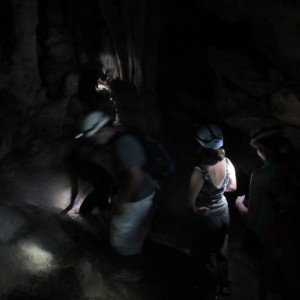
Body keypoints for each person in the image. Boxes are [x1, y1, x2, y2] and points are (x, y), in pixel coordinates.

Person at [76, 110, 158, 281]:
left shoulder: (123, 143)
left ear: (101, 130)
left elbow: (136, 177)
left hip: (137, 196)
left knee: (121, 236)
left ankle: (132, 270)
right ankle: (139, 258)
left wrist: (122, 200)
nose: (94, 142)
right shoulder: (123, 133)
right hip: (146, 191)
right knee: (136, 229)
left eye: (93, 138)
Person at [235, 121, 291, 300]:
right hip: (288, 233)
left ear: (261, 149)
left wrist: (239, 205)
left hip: (263, 237)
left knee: (262, 278)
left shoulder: (259, 176)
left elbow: (251, 219)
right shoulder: (290, 169)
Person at [187, 124, 237, 300]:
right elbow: (232, 186)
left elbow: (190, 203)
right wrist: (218, 193)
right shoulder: (228, 162)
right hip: (223, 211)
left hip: (207, 216)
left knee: (204, 254)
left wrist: (196, 210)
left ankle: (208, 291)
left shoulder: (199, 172)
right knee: (222, 248)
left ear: (200, 146)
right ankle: (225, 286)